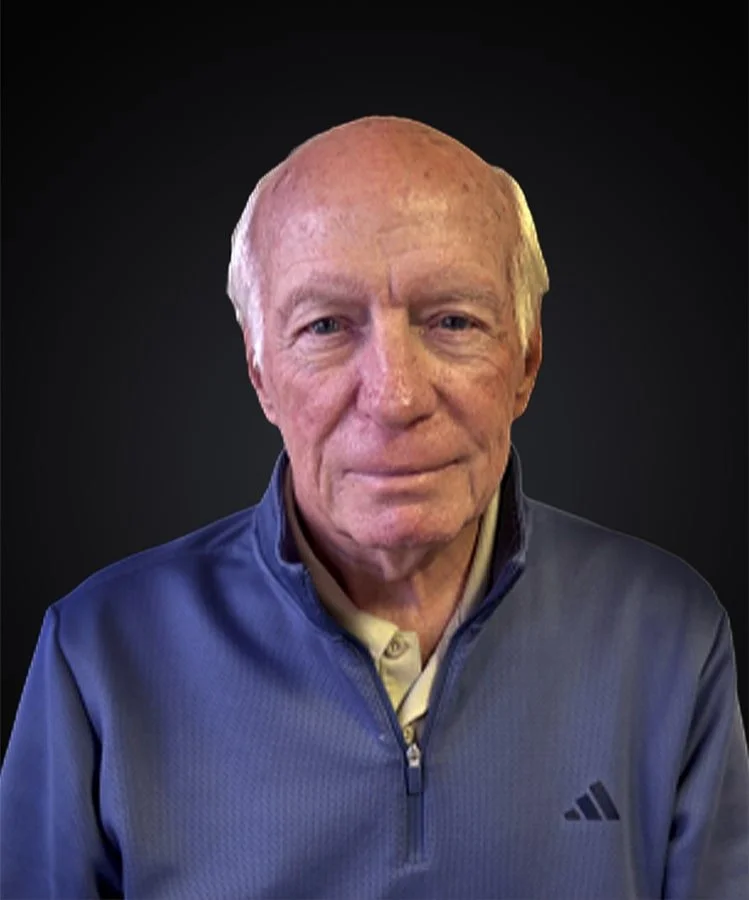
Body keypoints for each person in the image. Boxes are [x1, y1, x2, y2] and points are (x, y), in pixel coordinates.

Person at [1, 115, 747, 900]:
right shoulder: (99, 652)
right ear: (259, 374)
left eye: (452, 321)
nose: (394, 397)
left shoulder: (667, 632)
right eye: (325, 326)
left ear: (525, 363)